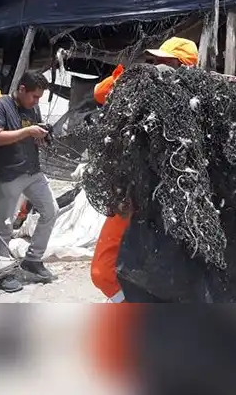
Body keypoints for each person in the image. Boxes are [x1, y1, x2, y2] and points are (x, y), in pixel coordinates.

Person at [89, 37, 200, 304]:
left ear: (185, 67)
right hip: (132, 192)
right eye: (155, 61)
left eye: (166, 62)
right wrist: (130, 76)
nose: (158, 67)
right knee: (102, 270)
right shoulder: (139, 92)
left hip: (174, 201)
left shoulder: (198, 100)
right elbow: (100, 94)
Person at [0, 70, 59, 292]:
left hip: (33, 172)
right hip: (9, 175)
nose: (36, 101)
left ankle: (33, 260)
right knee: (4, 226)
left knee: (51, 210)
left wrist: (42, 137)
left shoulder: (33, 108)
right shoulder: (0, 105)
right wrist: (28, 131)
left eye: (39, 97)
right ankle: (2, 274)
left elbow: (33, 137)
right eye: (34, 96)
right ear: (21, 89)